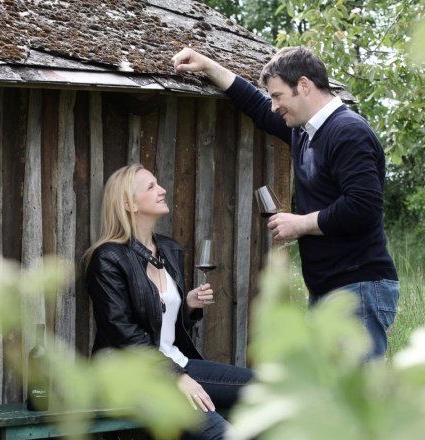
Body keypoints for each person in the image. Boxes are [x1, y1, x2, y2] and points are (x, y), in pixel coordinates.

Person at [171, 47, 399, 359]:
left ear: (304, 85)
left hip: (357, 287)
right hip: (332, 289)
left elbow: (363, 207)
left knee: (358, 400)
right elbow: (257, 106)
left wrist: (300, 223)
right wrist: (207, 66)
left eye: (279, 96)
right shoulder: (306, 133)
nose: (275, 105)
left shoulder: (348, 131)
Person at [83, 164, 253, 439]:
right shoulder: (107, 258)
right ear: (129, 203)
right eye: (151, 187)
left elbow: (160, 324)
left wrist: (186, 306)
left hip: (176, 363)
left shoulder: (168, 249)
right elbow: (124, 335)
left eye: (158, 183)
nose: (162, 190)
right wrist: (177, 377)